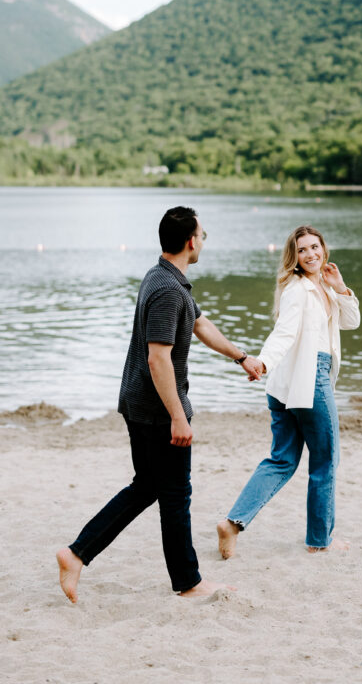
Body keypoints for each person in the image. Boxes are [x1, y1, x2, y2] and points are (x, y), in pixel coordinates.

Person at [56, 206, 261, 603]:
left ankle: (76, 554)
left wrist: (241, 357)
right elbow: (157, 357)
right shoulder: (168, 289)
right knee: (174, 494)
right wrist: (178, 416)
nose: (203, 241)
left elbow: (200, 324)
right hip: (155, 408)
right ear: (190, 241)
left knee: (148, 486)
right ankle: (189, 583)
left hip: (138, 400)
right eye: (202, 235)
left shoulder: (163, 276)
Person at [217, 225, 360, 557]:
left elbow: (350, 322)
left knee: (282, 459)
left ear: (324, 249)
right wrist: (262, 361)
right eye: (302, 250)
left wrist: (340, 288)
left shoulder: (323, 285)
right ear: (293, 257)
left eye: (315, 247)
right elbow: (283, 333)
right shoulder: (298, 290)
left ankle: (232, 523)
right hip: (309, 380)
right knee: (325, 460)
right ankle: (319, 540)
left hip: (286, 384)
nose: (311, 254)